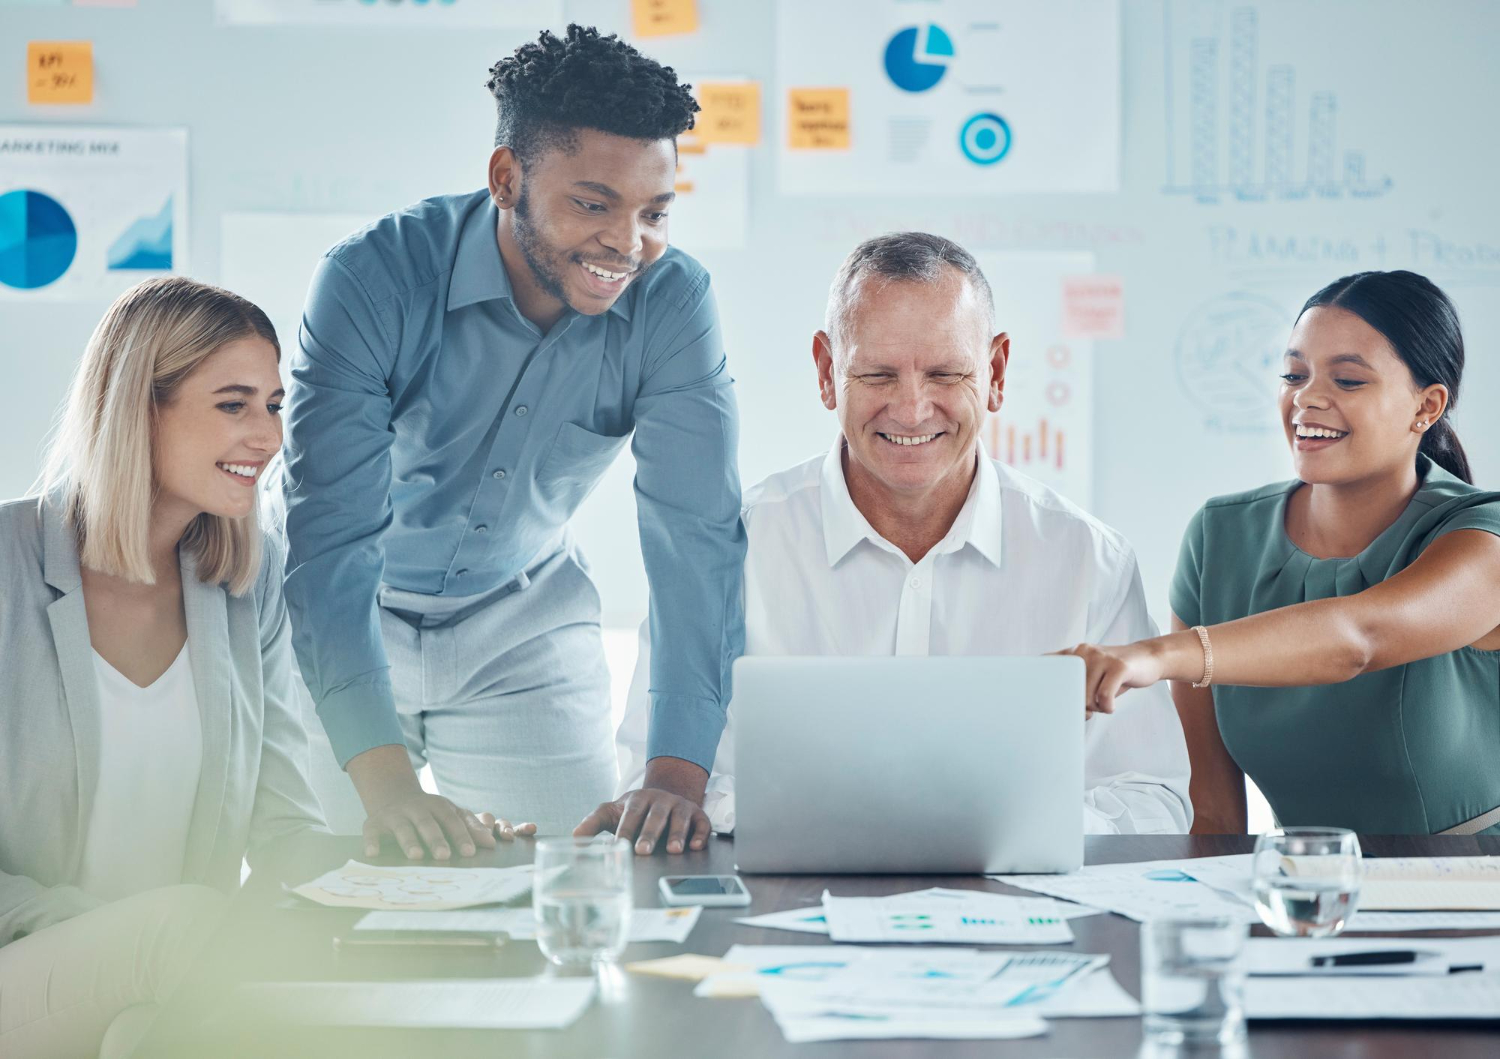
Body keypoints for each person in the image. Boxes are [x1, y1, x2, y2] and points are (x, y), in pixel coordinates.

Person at [277, 24, 744, 858]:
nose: (627, 245)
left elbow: (695, 541)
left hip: (520, 619)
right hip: (346, 612)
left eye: (654, 212)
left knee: (570, 889)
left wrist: (677, 772)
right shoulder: (371, 280)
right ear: (506, 179)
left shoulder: (674, 304)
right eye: (594, 204)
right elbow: (329, 541)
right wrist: (385, 789)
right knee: (320, 898)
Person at [603, 233, 1191, 844]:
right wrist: (878, 822)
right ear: (829, 373)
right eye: (878, 374)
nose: (911, 411)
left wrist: (1005, 826)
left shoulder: (1088, 562)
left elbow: (1155, 802)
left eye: (945, 373)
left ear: (994, 372)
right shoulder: (730, 553)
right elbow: (648, 787)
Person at [0, 278, 328, 1058]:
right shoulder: (8, 565)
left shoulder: (249, 582)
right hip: (26, 965)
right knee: (182, 934)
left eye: (275, 405)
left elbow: (286, 827)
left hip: (176, 972)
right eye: (233, 404)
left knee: (150, 1032)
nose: (268, 435)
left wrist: (412, 864)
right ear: (138, 405)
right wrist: (116, 936)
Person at [1066, 270, 1500, 835]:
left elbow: (1358, 639)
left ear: (1427, 406)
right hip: (1307, 890)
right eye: (1294, 374)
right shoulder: (1221, 536)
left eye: (1347, 381)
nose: (1307, 398)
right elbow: (1213, 814)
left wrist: (1154, 655)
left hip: (1472, 891)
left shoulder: (1481, 536)